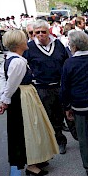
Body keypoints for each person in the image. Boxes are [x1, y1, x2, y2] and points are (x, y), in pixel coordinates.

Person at [0, 30, 58, 175]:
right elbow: (11, 84)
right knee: (30, 129)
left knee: (32, 128)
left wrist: (4, 99)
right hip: (23, 97)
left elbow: (4, 81)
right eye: (24, 39)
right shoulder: (17, 61)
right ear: (19, 44)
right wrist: (5, 101)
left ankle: (37, 158)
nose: (27, 41)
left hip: (23, 95)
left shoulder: (9, 59)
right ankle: (31, 163)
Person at [60, 31, 88, 176]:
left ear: (74, 46)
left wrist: (66, 107)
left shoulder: (69, 63)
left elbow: (65, 87)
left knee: (84, 139)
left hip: (79, 106)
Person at [24, 19, 69, 154]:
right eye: (37, 32)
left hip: (59, 85)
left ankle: (75, 133)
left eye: (43, 32)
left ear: (48, 31)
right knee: (50, 116)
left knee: (65, 113)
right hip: (42, 87)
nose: (41, 35)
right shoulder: (30, 47)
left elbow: (66, 62)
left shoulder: (58, 44)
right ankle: (59, 140)